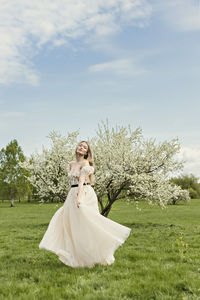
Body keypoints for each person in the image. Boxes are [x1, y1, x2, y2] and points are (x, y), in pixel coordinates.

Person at [39, 141, 131, 268]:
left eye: (84, 147)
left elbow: (82, 181)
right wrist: (68, 198)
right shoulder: (71, 164)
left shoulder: (85, 163)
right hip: (72, 193)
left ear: (87, 152)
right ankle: (78, 257)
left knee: (87, 224)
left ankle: (101, 247)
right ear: (76, 148)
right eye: (80, 146)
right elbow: (70, 183)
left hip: (84, 193)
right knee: (71, 225)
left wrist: (79, 198)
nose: (81, 148)